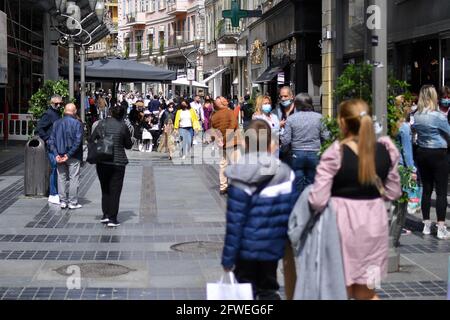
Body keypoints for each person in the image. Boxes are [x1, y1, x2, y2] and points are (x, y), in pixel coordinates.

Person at [308, 99, 402, 300]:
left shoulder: (336, 152)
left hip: (342, 226)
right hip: (375, 226)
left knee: (339, 290)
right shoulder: (386, 149)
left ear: (342, 122)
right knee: (366, 292)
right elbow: (393, 192)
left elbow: (317, 200)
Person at [221, 119, 296, 300]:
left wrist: (228, 258)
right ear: (271, 145)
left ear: (245, 144)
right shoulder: (285, 173)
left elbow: (235, 221)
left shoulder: (240, 174)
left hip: (246, 248)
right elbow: (291, 214)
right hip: (273, 245)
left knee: (245, 291)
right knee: (268, 289)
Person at [413, 85, 450, 239]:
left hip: (422, 153)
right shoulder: (438, 116)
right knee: (441, 191)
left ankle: (426, 225)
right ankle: (441, 227)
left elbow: (414, 132)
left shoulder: (417, 115)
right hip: (439, 153)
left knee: (426, 189)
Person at [90, 104, 133, 227]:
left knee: (105, 188)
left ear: (111, 113)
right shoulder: (123, 126)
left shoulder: (101, 124)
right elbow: (128, 145)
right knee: (115, 190)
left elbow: (92, 139)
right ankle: (113, 219)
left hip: (103, 160)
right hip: (118, 162)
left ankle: (105, 215)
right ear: (122, 115)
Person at [280, 93, 329, 194]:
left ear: (296, 105)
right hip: (315, 153)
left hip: (297, 154)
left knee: (297, 183)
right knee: (312, 183)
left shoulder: (291, 119)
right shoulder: (319, 118)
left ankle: (297, 204)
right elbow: (327, 136)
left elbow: (286, 140)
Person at [48, 103, 83, 210]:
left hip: (60, 154)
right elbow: (78, 141)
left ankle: (63, 201)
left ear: (64, 111)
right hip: (73, 155)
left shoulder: (57, 123)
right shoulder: (77, 123)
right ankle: (72, 202)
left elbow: (51, 140)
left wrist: (56, 154)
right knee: (73, 178)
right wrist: (69, 154)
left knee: (61, 178)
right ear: (75, 111)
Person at [211, 96, 242, 194]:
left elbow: (213, 131)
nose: (226, 101)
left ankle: (223, 186)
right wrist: (225, 140)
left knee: (223, 164)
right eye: (224, 100)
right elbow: (232, 125)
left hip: (222, 144)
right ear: (222, 104)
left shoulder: (214, 116)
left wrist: (218, 140)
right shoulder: (229, 112)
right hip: (232, 142)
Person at [36, 94, 63, 205]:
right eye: (56, 103)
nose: (58, 105)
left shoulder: (56, 113)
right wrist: (47, 139)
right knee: (55, 167)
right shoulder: (48, 114)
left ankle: (55, 193)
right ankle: (53, 194)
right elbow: (39, 128)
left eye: (60, 103)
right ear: (51, 103)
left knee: (56, 168)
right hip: (52, 146)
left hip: (57, 145)